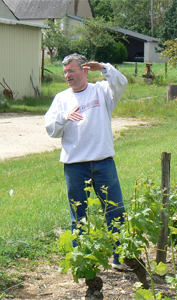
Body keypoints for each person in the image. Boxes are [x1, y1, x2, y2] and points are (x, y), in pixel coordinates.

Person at [44, 53, 128, 271]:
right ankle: (82, 261)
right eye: (65, 72)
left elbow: (121, 82)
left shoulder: (101, 92)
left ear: (85, 70)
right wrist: (64, 117)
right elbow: (51, 129)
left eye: (71, 70)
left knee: (115, 211)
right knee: (78, 214)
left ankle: (119, 258)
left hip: (103, 163)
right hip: (75, 166)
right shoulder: (61, 99)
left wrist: (104, 67)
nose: (67, 75)